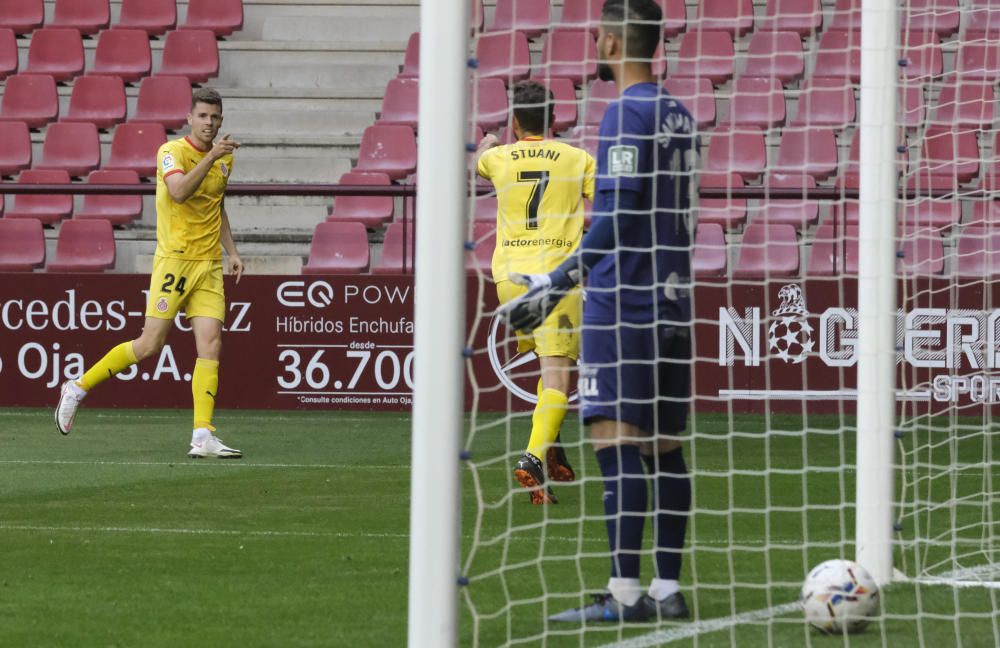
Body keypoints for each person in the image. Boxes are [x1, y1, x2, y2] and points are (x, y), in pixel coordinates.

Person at [500, 0, 696, 622]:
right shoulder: (679, 114)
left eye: (597, 33)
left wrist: (553, 286)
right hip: (673, 299)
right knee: (664, 448)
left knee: (614, 443)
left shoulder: (623, 114)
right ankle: (667, 589)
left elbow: (613, 221)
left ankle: (624, 594)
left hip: (625, 302)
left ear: (612, 41)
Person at [55, 87, 245, 460]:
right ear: (190, 118)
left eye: (215, 117)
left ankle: (202, 434)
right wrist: (211, 158)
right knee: (149, 345)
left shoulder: (225, 161)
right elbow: (179, 193)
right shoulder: (171, 152)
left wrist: (233, 250)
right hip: (174, 261)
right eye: (203, 116)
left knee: (211, 344)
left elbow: (214, 204)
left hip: (208, 265)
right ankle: (76, 388)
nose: (210, 123)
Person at [478, 80, 596, 504]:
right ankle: (531, 457)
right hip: (554, 279)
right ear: (554, 119)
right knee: (558, 380)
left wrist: (489, 141)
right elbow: (603, 208)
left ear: (514, 121)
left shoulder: (497, 158)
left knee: (548, 376)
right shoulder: (578, 158)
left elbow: (481, 161)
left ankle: (553, 455)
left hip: (508, 279)